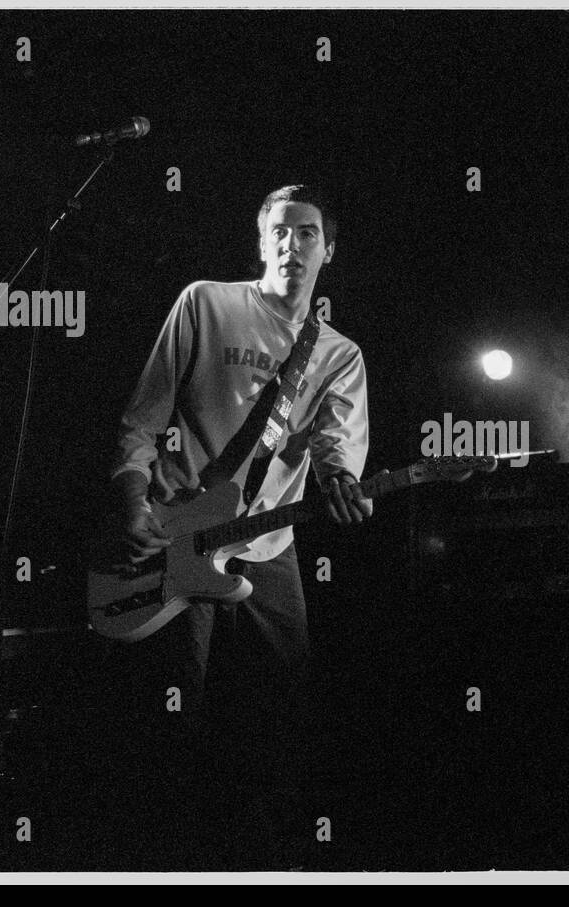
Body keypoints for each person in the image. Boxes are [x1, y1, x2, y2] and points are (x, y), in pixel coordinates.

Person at [106, 183, 371, 870]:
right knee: (167, 724)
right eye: (279, 231)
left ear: (329, 250)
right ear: (261, 243)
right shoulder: (206, 303)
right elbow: (143, 417)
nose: (292, 243)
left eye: (307, 232)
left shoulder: (338, 355)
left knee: (280, 724)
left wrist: (341, 483)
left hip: (268, 548)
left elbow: (336, 450)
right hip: (174, 537)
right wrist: (133, 499)